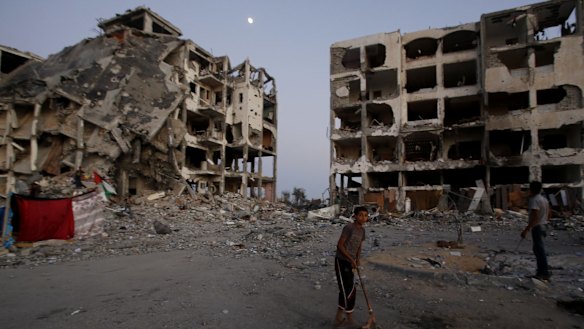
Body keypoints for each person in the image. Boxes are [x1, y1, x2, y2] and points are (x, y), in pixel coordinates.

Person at [334, 206, 368, 327]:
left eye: (365, 215)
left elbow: (359, 246)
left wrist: (357, 259)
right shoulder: (349, 228)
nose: (363, 218)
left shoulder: (362, 231)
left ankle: (343, 317)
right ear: (355, 216)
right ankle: (344, 317)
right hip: (341, 261)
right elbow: (340, 245)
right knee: (347, 289)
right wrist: (350, 259)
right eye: (360, 215)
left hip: (351, 262)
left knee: (350, 288)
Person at [521, 181, 551, 281]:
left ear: (531, 189)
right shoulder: (544, 199)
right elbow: (549, 213)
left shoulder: (534, 200)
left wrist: (527, 229)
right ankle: (542, 272)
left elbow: (535, 217)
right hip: (544, 225)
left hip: (537, 226)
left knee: (539, 250)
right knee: (539, 249)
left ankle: (543, 273)